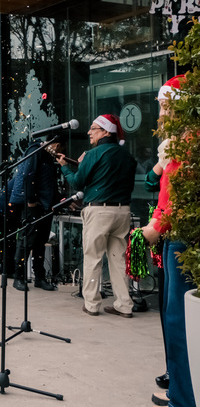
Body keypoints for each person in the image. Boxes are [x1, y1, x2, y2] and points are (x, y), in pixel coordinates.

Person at [141, 75, 196, 407]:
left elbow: (178, 197)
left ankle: (183, 398)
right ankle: (180, 387)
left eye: (163, 105)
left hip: (180, 240)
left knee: (179, 324)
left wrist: (153, 229)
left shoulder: (186, 144)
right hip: (177, 238)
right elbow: (156, 183)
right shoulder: (174, 144)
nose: (159, 112)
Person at [56, 114, 136, 317]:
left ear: (106, 131)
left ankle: (91, 304)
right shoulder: (128, 156)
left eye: (94, 128)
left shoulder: (93, 154)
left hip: (99, 211)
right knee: (118, 259)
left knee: (93, 258)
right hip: (123, 211)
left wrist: (65, 167)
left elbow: (77, 182)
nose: (89, 132)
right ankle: (124, 305)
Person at [10, 135, 65, 292]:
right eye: (60, 148)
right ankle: (19, 277)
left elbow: (49, 183)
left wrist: (60, 200)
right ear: (55, 144)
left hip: (45, 205)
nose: (60, 152)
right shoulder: (36, 151)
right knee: (26, 241)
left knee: (41, 242)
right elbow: (29, 175)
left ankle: (39, 277)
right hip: (34, 205)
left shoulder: (48, 156)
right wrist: (31, 200)